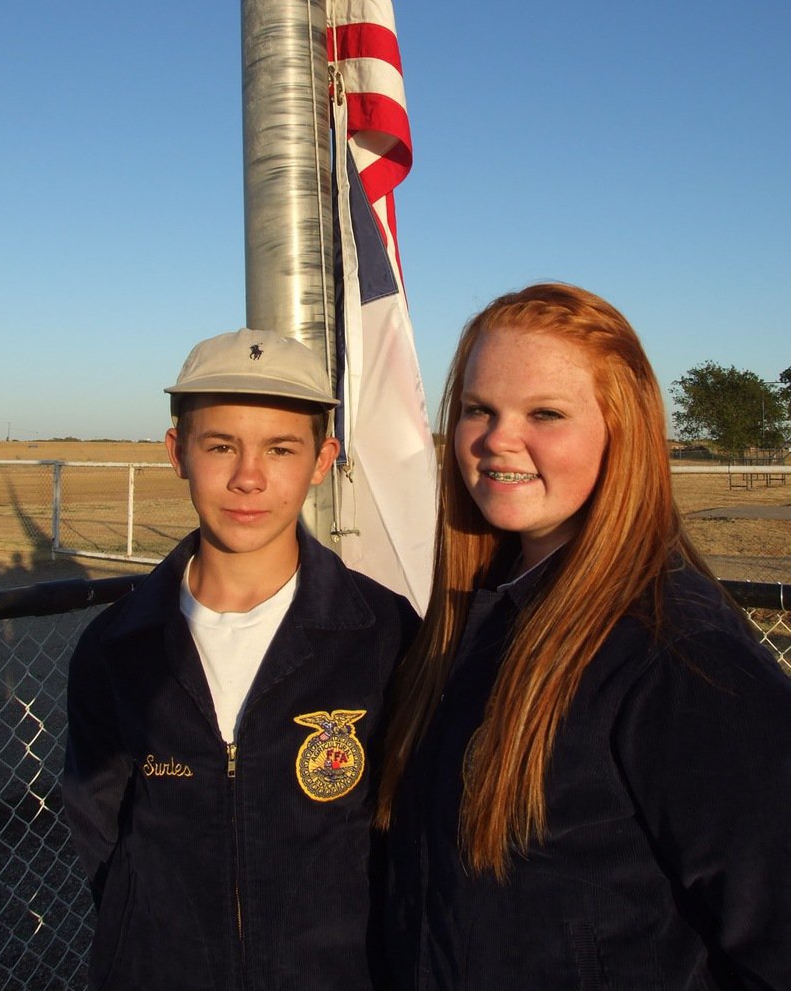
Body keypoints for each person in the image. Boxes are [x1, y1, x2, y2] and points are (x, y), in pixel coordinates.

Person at [377, 283, 791, 990]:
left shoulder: (679, 655)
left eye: (546, 413)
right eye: (480, 409)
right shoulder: (468, 627)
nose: (498, 439)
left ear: (619, 432)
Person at [63, 328, 418, 991]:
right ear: (178, 452)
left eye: (280, 449)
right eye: (220, 445)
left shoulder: (388, 637)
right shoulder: (116, 649)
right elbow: (102, 833)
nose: (248, 477)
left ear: (322, 458)